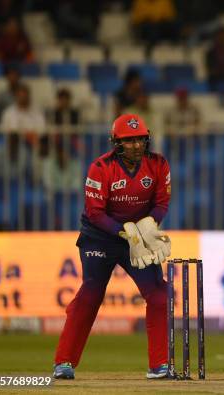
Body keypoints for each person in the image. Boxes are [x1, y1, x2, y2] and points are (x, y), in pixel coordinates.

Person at [52, 114, 172, 380]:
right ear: (116, 142)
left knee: (159, 294)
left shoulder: (159, 164)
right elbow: (95, 213)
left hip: (138, 238)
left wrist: (150, 226)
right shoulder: (100, 167)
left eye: (140, 139)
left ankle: (159, 365)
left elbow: (161, 203)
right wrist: (123, 232)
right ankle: (64, 362)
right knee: (90, 295)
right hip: (100, 237)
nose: (136, 146)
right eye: (128, 141)